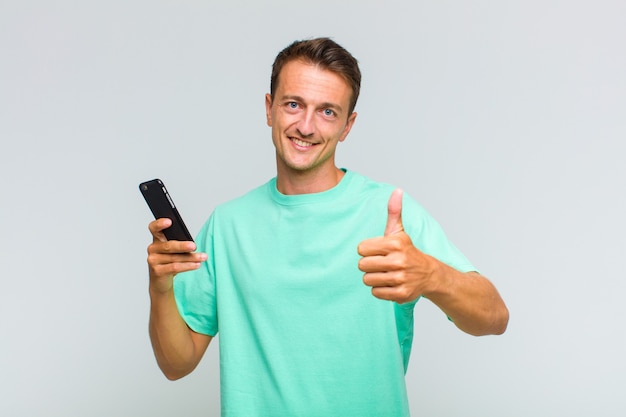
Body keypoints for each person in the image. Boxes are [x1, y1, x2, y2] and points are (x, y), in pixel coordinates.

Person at [146, 37, 509, 416]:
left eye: (327, 112)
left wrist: (433, 276)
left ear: (348, 126)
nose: (306, 126)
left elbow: (494, 318)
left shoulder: (389, 213)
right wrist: (160, 287)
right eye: (293, 104)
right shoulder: (228, 225)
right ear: (269, 109)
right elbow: (176, 364)